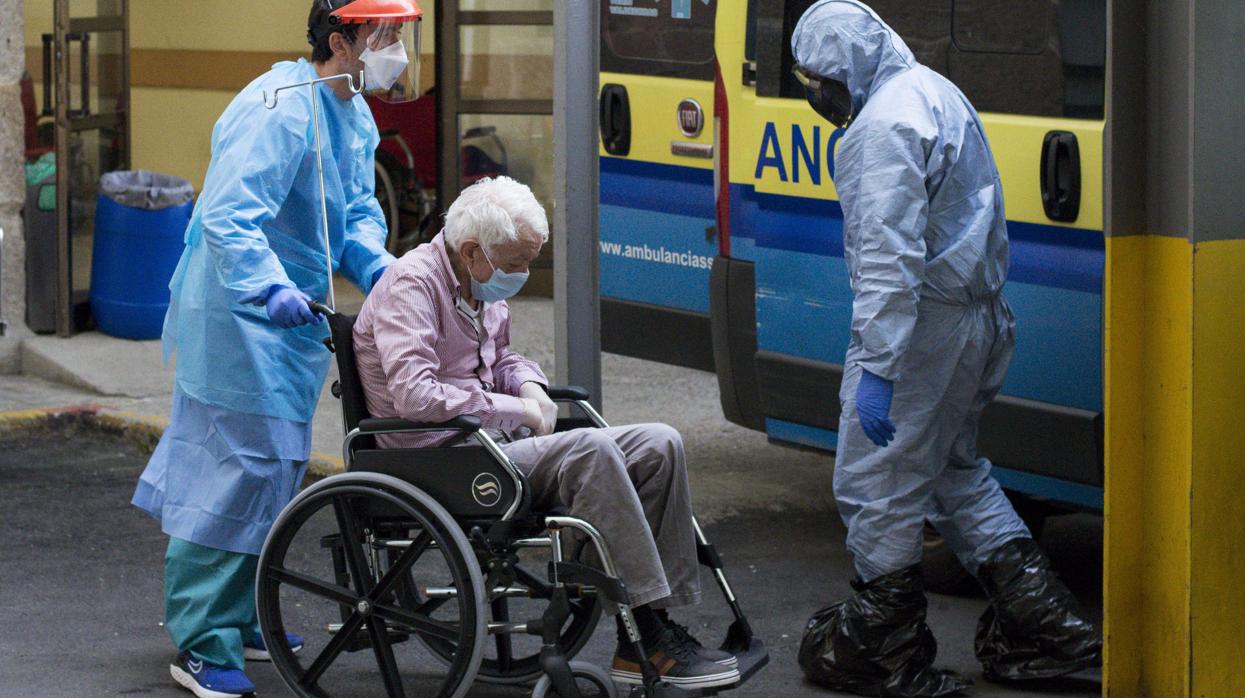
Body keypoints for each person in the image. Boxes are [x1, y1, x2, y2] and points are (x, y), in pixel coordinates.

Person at [788, 2, 1101, 696]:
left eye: (816, 79)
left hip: (924, 332)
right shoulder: (932, 90)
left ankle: (885, 654)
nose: (814, 93)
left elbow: (886, 263)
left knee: (876, 485)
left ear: (844, 69)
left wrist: (876, 368)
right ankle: (1048, 630)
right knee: (954, 473)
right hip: (976, 318)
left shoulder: (879, 129)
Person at [130, 2, 423, 696]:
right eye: (382, 35)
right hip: (239, 314)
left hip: (287, 320)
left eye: (400, 34)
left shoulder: (350, 110)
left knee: (274, 468)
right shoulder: (280, 107)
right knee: (229, 474)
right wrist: (266, 287)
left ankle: (242, 613)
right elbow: (231, 214)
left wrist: (381, 268)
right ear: (338, 40)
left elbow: (351, 210)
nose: (396, 49)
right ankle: (202, 640)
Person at [352, 176, 741, 690]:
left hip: (486, 448)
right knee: (592, 449)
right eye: (516, 265)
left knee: (659, 442)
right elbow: (416, 397)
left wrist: (531, 385)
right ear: (472, 251)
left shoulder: (477, 281)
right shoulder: (412, 286)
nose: (523, 274)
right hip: (437, 460)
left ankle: (659, 619)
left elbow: (504, 358)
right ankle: (643, 634)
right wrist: (512, 408)